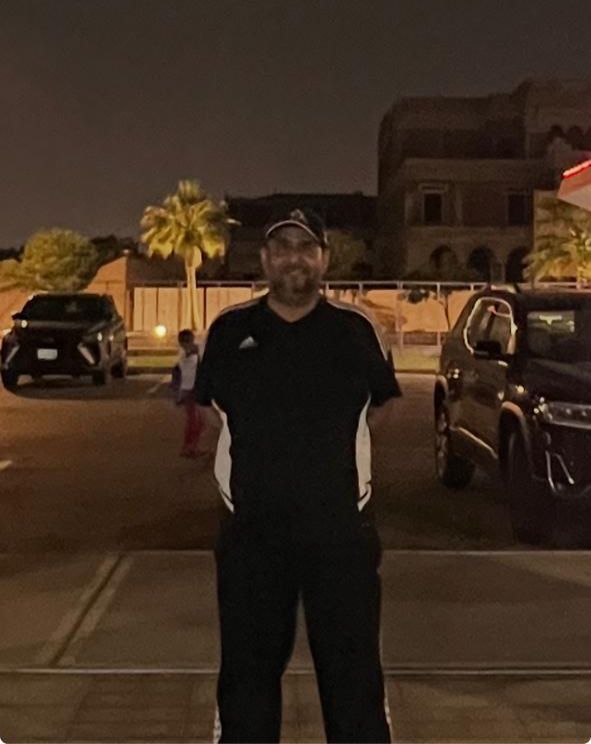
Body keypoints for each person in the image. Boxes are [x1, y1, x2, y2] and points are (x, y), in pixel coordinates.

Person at [195, 208, 402, 743]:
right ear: (265, 259)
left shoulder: (356, 330)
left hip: (342, 534)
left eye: (306, 248)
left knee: (354, 680)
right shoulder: (230, 331)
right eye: (282, 247)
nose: (295, 258)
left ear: (324, 259)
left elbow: (383, 404)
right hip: (251, 536)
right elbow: (209, 409)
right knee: (247, 681)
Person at [174, 328, 202, 458]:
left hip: (192, 389)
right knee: (194, 421)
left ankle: (191, 447)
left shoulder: (188, 353)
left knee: (198, 421)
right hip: (190, 390)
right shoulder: (185, 355)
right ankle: (188, 448)